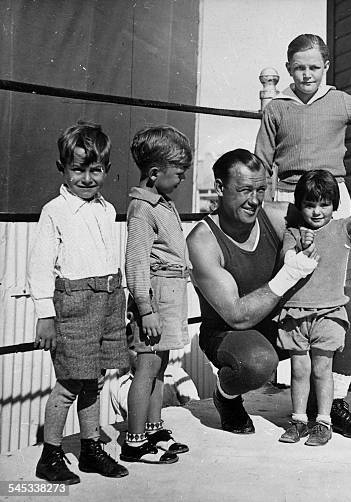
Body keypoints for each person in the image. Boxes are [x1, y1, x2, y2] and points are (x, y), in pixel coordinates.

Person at [187, 149, 351, 440]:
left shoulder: (275, 215)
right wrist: (288, 274)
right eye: (245, 190)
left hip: (284, 320)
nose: (254, 199)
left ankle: (331, 403)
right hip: (234, 335)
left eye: (260, 189)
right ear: (221, 188)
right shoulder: (203, 240)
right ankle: (226, 396)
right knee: (258, 362)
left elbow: (328, 222)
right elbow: (237, 316)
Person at [27, 121, 129, 484]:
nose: (87, 178)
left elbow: (108, 257)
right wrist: (45, 315)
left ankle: (89, 449)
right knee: (71, 382)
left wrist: (122, 300)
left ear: (106, 170)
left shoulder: (106, 209)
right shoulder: (54, 211)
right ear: (62, 169)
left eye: (95, 170)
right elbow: (39, 267)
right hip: (73, 306)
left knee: (95, 380)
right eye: (78, 169)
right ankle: (50, 455)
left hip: (109, 300)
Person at [277, 170, 351, 446]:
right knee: (298, 370)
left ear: (334, 204)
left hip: (329, 313)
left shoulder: (343, 228)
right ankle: (297, 420)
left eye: (324, 204)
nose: (317, 211)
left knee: (322, 369)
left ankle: (323, 422)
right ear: (299, 206)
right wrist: (299, 249)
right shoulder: (293, 232)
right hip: (296, 313)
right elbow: (287, 258)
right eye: (310, 204)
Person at [254, 33, 351, 216]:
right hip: (289, 196)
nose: (307, 75)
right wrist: (264, 203)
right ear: (289, 68)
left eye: (314, 68)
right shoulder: (276, 107)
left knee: (335, 243)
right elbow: (261, 162)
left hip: (331, 194)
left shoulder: (339, 101)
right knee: (291, 244)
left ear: (326, 67)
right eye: (300, 68)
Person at [120, 125, 192, 465]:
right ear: (154, 173)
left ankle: (153, 428)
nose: (181, 180)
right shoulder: (142, 209)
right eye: (178, 174)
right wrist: (145, 309)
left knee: (159, 365)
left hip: (171, 293)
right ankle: (134, 441)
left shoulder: (163, 203)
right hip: (155, 296)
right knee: (146, 367)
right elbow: (135, 263)